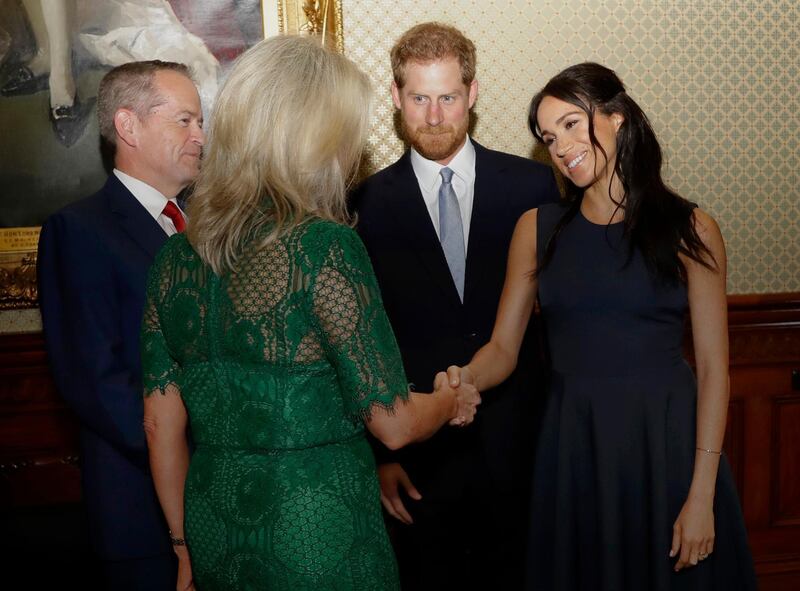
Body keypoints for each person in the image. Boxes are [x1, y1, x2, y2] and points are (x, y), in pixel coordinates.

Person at [140, 35, 480, 591]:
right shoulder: (323, 247)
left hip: (212, 522)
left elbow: (160, 423)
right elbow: (392, 422)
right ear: (317, 138)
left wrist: (183, 549)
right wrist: (449, 401)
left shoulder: (174, 257)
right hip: (315, 527)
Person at [445, 62, 757, 590]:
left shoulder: (691, 228)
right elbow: (502, 348)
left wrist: (702, 494)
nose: (561, 146)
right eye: (548, 136)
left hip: (668, 448)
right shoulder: (537, 230)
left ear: (616, 118)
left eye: (571, 123)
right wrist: (462, 380)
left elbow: (714, 371)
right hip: (575, 450)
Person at [351, 22, 560, 590]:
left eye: (448, 97)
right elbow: (357, 341)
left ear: (472, 93)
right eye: (419, 98)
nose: (435, 116)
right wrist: (380, 456)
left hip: (522, 445)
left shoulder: (534, 187)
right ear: (396, 99)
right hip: (419, 459)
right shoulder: (360, 204)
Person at [37, 60, 204, 590]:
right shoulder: (80, 231)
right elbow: (95, 381)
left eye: (200, 121)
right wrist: (197, 455)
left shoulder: (206, 227)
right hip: (142, 514)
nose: (201, 135)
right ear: (128, 127)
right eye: (185, 121)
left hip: (226, 497)